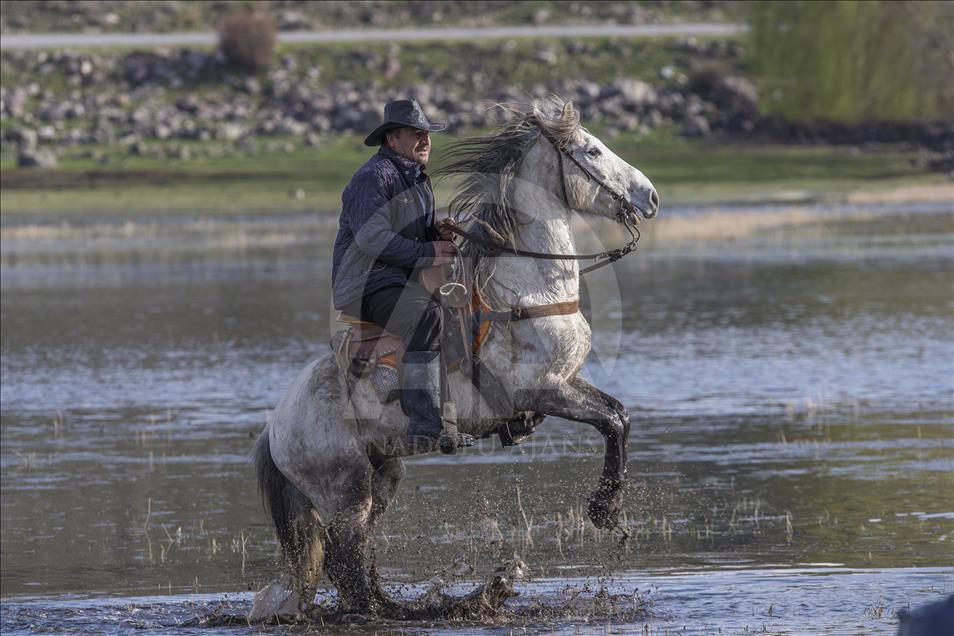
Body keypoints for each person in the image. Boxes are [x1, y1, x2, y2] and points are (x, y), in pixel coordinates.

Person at [331, 99, 459, 447]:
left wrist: (436, 234)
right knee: (426, 315)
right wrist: (428, 251)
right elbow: (373, 240)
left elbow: (410, 236)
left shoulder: (416, 179)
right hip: (367, 286)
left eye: (426, 134)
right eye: (415, 133)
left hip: (397, 280)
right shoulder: (372, 177)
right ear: (391, 139)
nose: (425, 140)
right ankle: (423, 423)